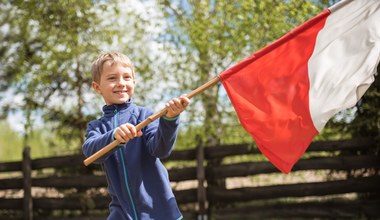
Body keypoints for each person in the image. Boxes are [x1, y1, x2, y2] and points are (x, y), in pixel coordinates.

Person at [82, 51, 190, 220]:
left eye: (126, 77)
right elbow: (91, 153)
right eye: (112, 78)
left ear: (134, 82)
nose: (121, 83)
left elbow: (161, 150)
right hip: (121, 214)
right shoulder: (97, 127)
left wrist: (170, 120)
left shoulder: (146, 116)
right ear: (97, 87)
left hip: (160, 212)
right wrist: (112, 136)